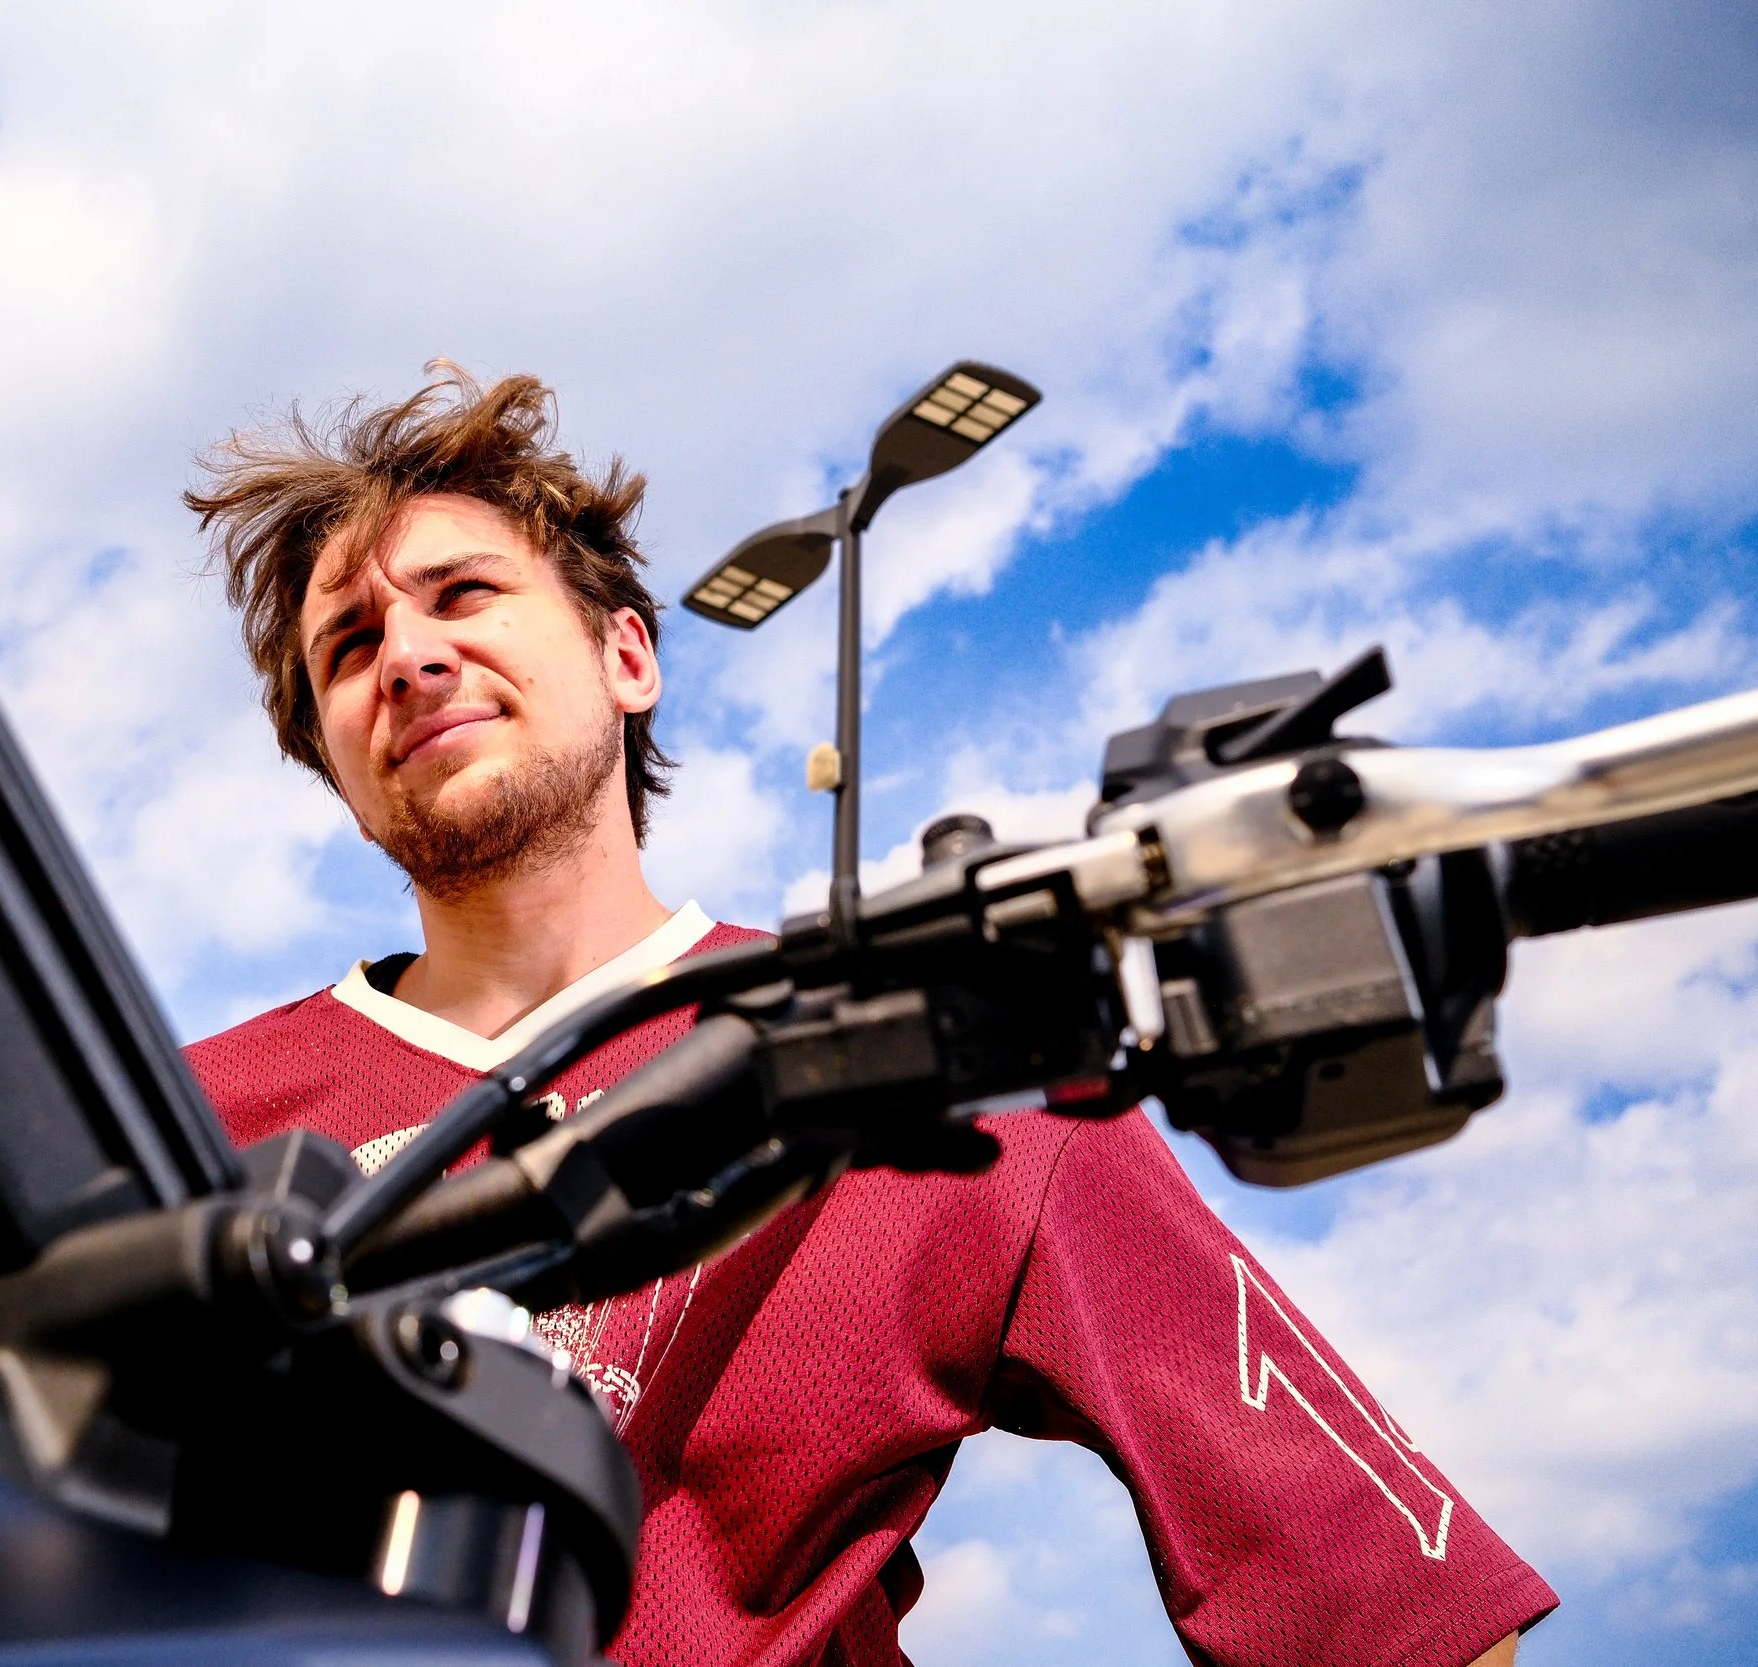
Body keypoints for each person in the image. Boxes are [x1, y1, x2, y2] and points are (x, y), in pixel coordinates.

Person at [179, 366, 1551, 1667]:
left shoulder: (934, 1052)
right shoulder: (187, 1137)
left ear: (628, 657)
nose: (409, 656)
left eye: (462, 594)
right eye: (348, 645)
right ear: (339, 774)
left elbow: (1385, 1599)